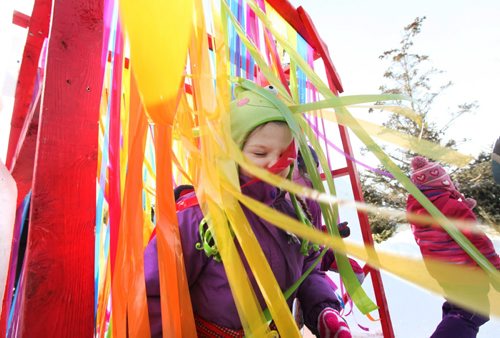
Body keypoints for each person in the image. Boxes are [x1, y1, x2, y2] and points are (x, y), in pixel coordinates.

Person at [144, 85, 352, 337]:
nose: (275, 165)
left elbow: (308, 268)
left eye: (285, 155)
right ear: (230, 151)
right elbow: (153, 293)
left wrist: (323, 310)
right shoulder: (198, 217)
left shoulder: (293, 213)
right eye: (260, 153)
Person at [407, 156, 500, 338]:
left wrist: (461, 208)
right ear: (444, 183)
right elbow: (478, 241)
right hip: (465, 271)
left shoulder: (417, 210)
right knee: (471, 313)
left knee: (456, 310)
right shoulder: (454, 209)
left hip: (444, 273)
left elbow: (442, 224)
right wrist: (495, 267)